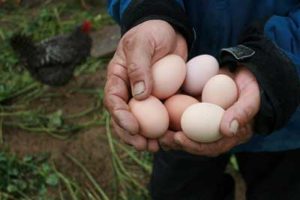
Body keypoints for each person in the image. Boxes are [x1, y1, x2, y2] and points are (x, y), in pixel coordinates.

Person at [105, 1, 300, 199]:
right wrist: (152, 11)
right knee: (180, 191)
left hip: (288, 113)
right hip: (179, 120)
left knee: (281, 189)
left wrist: (274, 65)